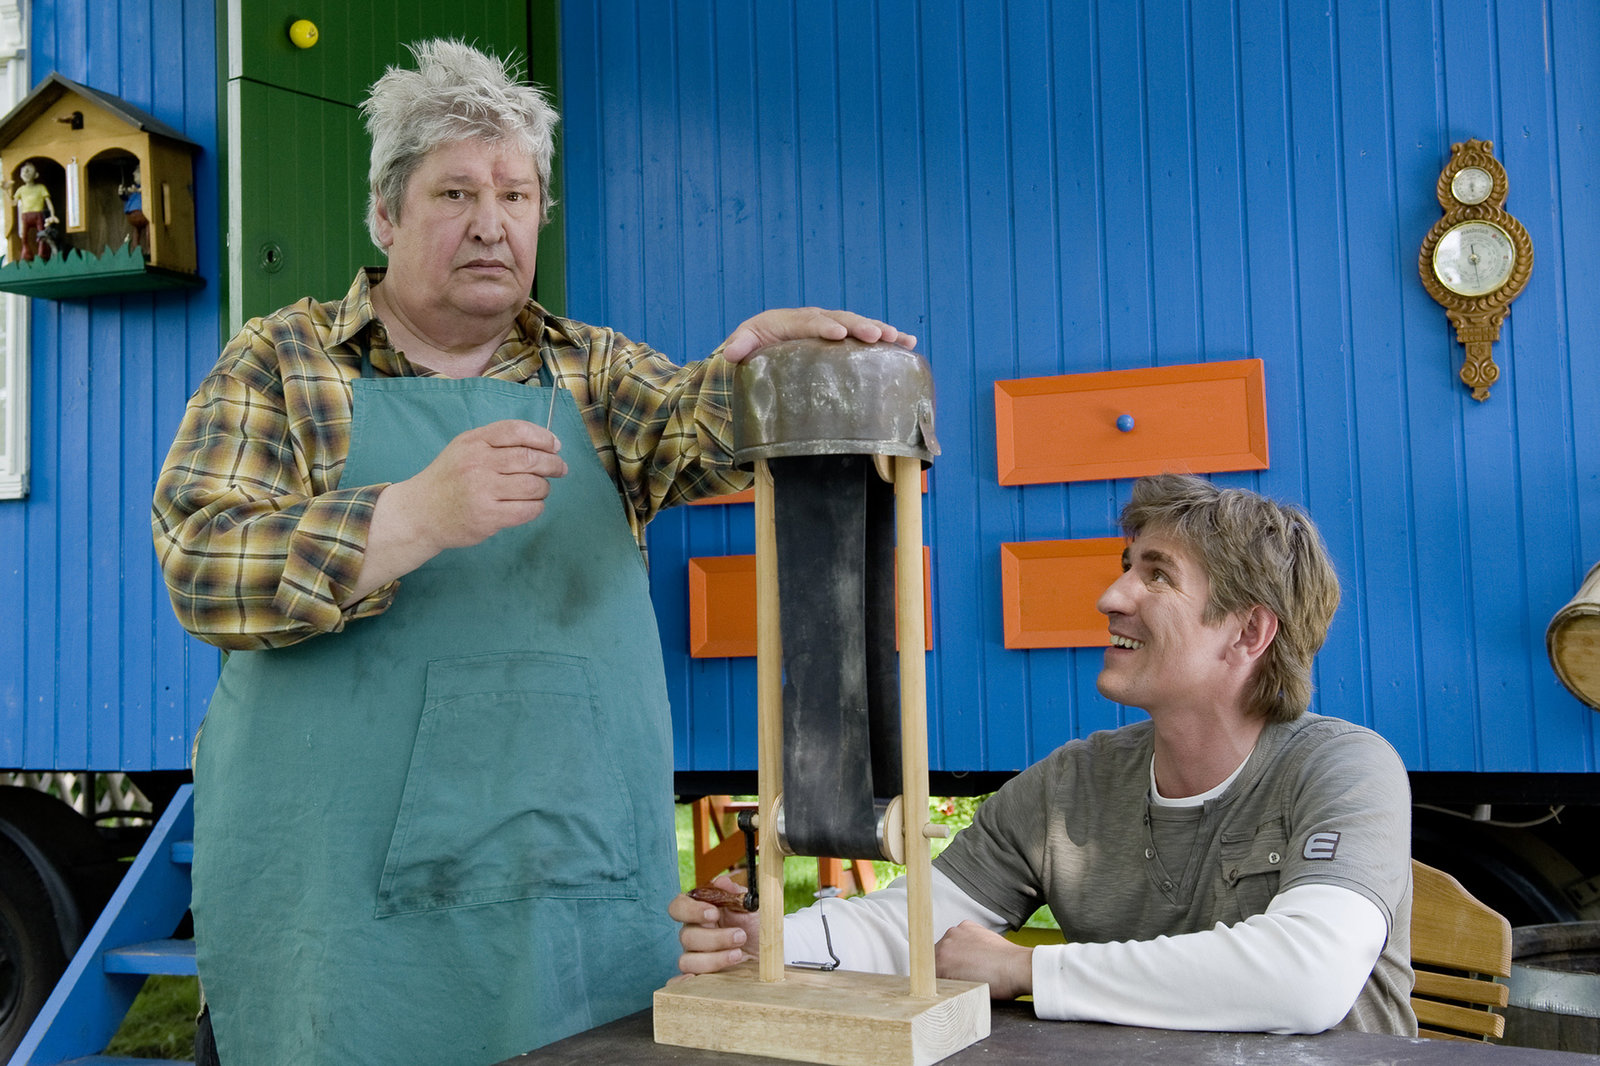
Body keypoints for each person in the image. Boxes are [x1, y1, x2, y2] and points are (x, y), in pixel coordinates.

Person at [151, 38, 915, 1066]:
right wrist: (414, 514)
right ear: (385, 215)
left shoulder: (594, 373)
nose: (491, 223)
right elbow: (202, 567)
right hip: (336, 916)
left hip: (561, 895)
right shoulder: (284, 361)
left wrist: (774, 376)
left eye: (516, 196)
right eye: (455, 193)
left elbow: (699, 421)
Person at [672, 473, 1417, 1036]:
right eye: (1127, 566)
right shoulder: (1073, 784)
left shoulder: (1345, 769)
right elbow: (915, 926)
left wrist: (1026, 967)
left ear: (1248, 632)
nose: (1111, 597)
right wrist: (766, 940)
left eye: (1157, 575)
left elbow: (1306, 978)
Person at [11, 163, 57, 261]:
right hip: (25, 216)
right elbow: (13, 203)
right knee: (24, 237)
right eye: (24, 171)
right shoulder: (21, 190)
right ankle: (26, 254)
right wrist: (5, 190)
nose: (26, 172)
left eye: (29, 170)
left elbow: (48, 202)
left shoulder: (41, 188)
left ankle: (42, 254)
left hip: (38, 215)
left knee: (42, 235)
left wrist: (52, 215)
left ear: (36, 175)